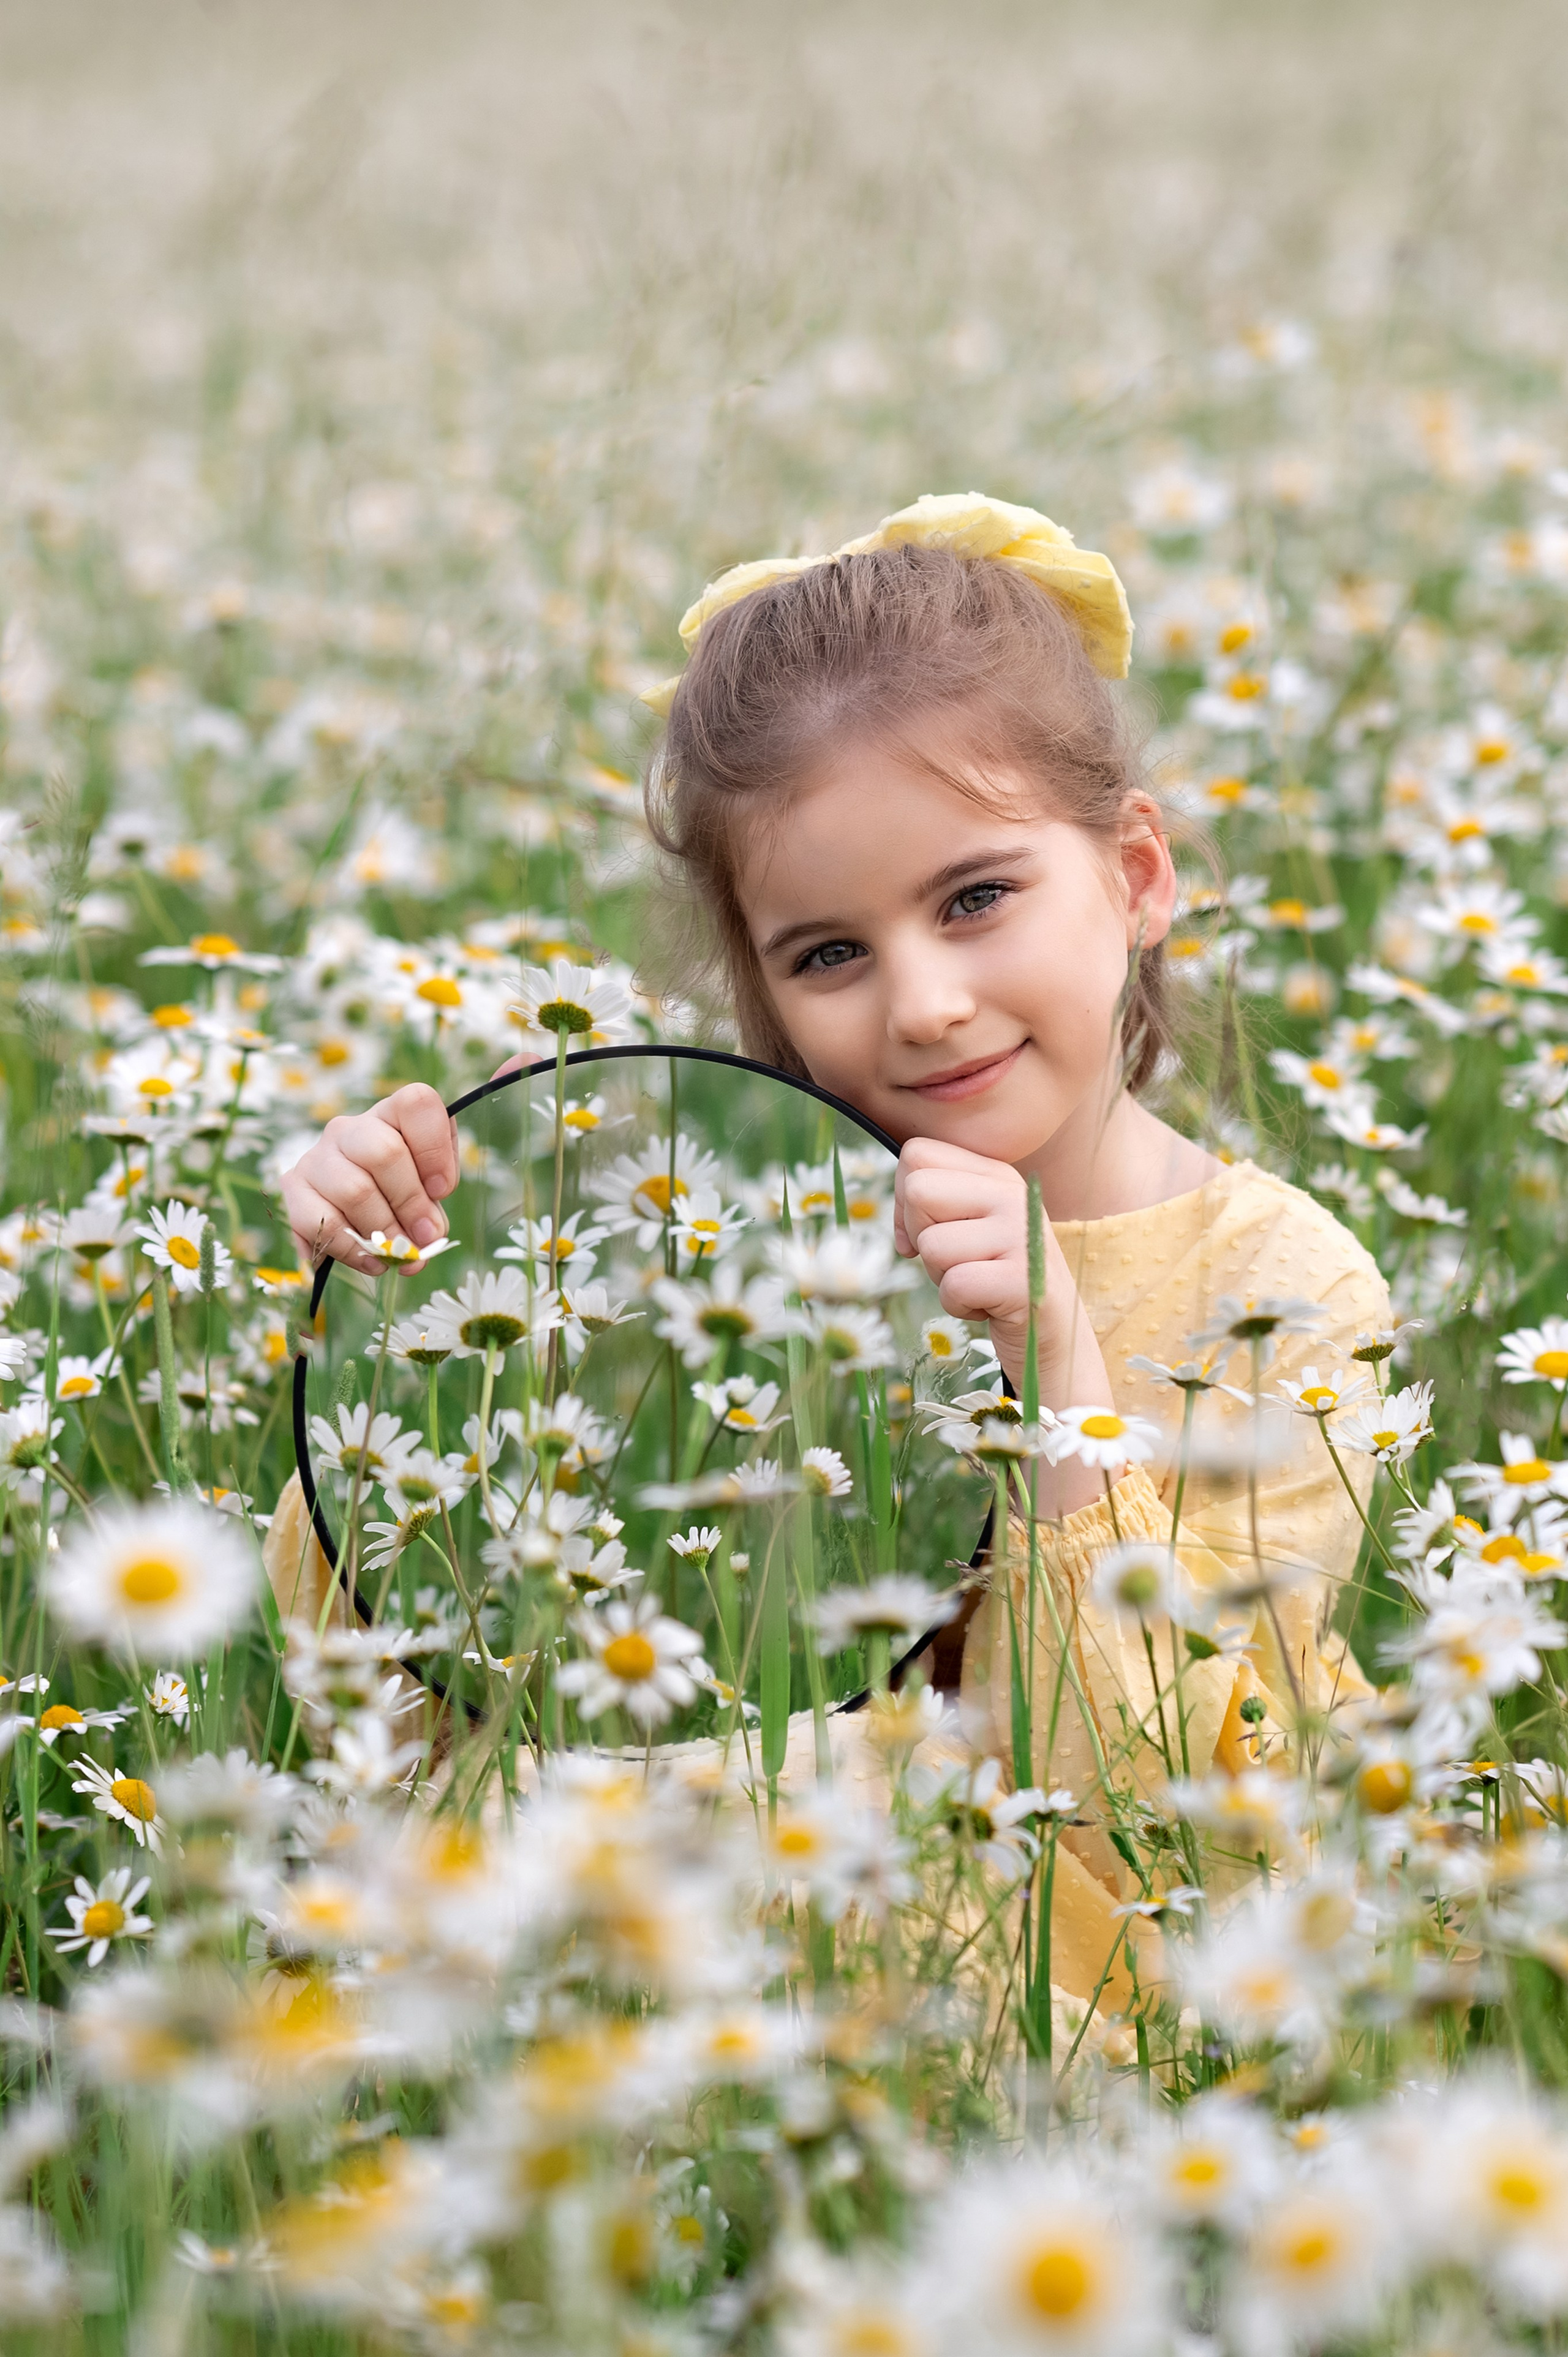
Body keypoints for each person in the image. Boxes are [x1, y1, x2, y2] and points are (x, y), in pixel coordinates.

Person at [280, 493, 1390, 2008]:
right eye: (828, 952)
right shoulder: (731, 1259)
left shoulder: (1278, 1291)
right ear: (764, 994)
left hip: (1072, 1993)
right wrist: (393, 1335)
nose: (923, 1000)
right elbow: (425, 1716)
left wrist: (1056, 1368)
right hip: (715, 1926)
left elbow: (1169, 1831)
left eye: (977, 897)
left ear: (1135, 876)